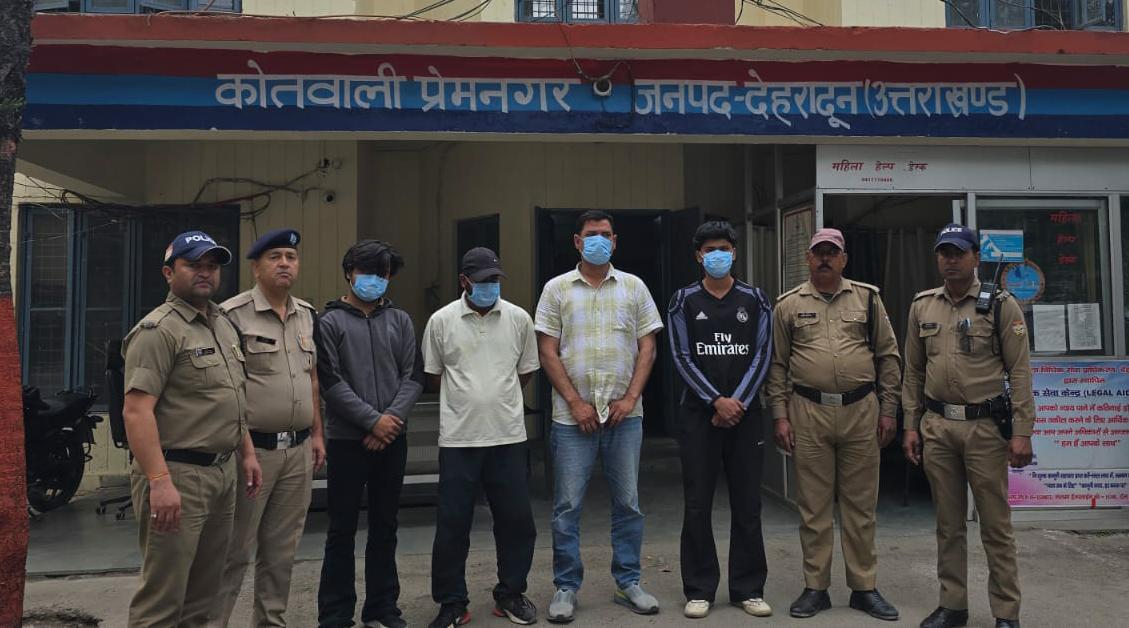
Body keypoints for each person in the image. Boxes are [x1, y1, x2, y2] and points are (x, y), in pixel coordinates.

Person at [121, 230, 262, 627]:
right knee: (163, 600)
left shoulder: (222, 324)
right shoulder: (158, 331)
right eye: (194, 265)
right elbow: (136, 412)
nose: (205, 272)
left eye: (212, 266)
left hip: (222, 473)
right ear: (169, 272)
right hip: (178, 475)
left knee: (204, 596)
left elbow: (229, 397)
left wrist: (247, 453)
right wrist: (159, 481)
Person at [535, 210, 665, 624]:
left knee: (628, 503)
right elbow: (547, 351)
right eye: (591, 234)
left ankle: (628, 582)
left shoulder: (634, 287)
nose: (599, 240)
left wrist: (630, 398)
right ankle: (566, 586)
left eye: (606, 234)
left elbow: (648, 348)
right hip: (571, 419)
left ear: (615, 240)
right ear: (577, 241)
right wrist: (575, 402)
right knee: (567, 506)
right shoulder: (556, 289)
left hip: (625, 416)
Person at [766, 228, 902, 621]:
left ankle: (864, 587)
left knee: (861, 506)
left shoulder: (868, 298)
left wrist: (889, 409)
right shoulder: (788, 305)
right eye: (819, 252)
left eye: (832, 252)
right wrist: (780, 415)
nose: (825, 258)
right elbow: (777, 365)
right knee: (814, 507)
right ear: (808, 259)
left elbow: (888, 357)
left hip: (862, 411)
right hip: (808, 411)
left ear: (844, 259)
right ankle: (816, 588)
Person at [902, 224, 1033, 628]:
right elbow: (913, 372)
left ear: (976, 257)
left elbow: (1020, 371)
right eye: (944, 253)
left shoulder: (1002, 305)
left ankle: (1006, 612)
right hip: (938, 426)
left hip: (985, 429)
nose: (951, 260)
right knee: (948, 524)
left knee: (995, 525)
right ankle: (953, 605)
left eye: (959, 253)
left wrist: (1022, 432)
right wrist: (911, 425)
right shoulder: (923, 306)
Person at [214, 228, 327, 627]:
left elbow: (311, 379)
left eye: (291, 257)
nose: (284, 264)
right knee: (233, 550)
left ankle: (270, 621)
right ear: (256, 267)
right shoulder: (231, 315)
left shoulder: (306, 314)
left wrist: (317, 434)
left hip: (297, 451)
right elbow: (229, 390)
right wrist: (245, 449)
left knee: (282, 552)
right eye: (275, 257)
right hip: (253, 454)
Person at [422, 247, 541, 628]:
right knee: (452, 524)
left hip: (508, 436)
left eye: (495, 280)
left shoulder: (519, 319)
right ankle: (452, 602)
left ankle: (511, 594)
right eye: (484, 280)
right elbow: (434, 375)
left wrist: (496, 397)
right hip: (459, 439)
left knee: (516, 520)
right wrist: (470, 398)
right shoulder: (441, 321)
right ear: (464, 281)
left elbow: (525, 370)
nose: (491, 286)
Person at [666, 221, 774, 620]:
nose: (717, 255)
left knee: (748, 504)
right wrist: (715, 401)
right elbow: (681, 356)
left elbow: (763, 354)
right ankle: (699, 589)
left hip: (745, 414)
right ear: (698, 255)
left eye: (724, 249)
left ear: (734, 253)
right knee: (698, 504)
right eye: (710, 249)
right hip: (699, 415)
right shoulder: (683, 300)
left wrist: (736, 402)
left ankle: (749, 588)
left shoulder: (755, 299)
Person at [315, 240, 424, 628]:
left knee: (385, 526)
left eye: (382, 273)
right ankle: (335, 614)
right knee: (341, 529)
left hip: (392, 438)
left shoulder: (401, 321)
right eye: (366, 271)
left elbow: (413, 376)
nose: (374, 279)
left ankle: (382, 608)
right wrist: (371, 421)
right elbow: (330, 382)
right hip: (347, 440)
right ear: (349, 273)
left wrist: (389, 421)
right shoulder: (328, 322)